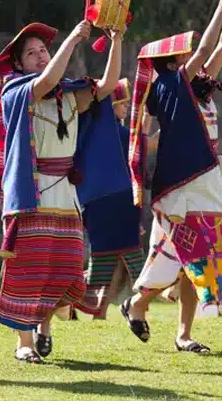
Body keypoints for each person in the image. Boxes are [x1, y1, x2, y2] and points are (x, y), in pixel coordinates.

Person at [0, 20, 126, 363]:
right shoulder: (16, 91)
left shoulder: (70, 93)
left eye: (43, 51)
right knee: (27, 267)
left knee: (61, 266)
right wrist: (74, 39)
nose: (39, 56)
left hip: (66, 192)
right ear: (18, 63)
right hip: (30, 192)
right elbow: (47, 79)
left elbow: (108, 85)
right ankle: (23, 342)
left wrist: (117, 40)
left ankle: (44, 327)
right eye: (32, 53)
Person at [120, 0, 222, 354]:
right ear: (173, 65)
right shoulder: (172, 86)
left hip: (205, 182)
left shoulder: (198, 92)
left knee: (195, 255)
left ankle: (179, 331)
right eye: (188, 57)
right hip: (180, 186)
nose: (200, 62)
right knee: (185, 253)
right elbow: (208, 47)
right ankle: (139, 304)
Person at [81, 78, 146, 319]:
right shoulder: (112, 132)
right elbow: (144, 142)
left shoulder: (98, 130)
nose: (126, 106)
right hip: (111, 205)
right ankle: (69, 301)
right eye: (122, 102)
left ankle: (100, 312)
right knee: (112, 258)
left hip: (110, 204)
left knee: (116, 259)